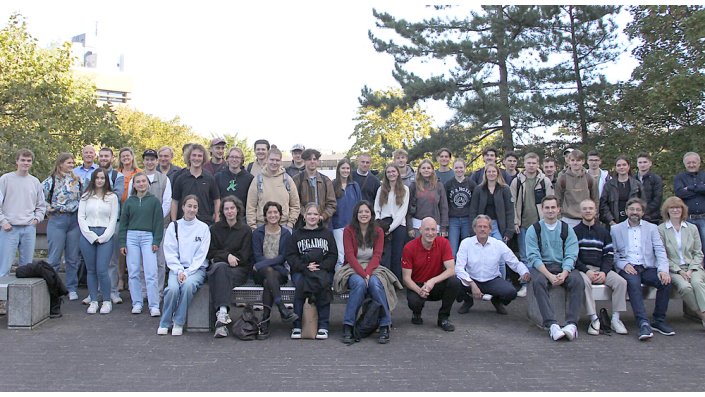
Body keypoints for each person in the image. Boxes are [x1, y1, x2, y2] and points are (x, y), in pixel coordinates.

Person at [334, 201, 401, 345]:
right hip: (352, 267)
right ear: (356, 215)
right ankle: (348, 325)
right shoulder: (348, 230)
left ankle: (384, 324)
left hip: (373, 266)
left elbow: (377, 255)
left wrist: (368, 273)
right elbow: (350, 256)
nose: (363, 214)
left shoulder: (378, 231)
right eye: (360, 212)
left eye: (366, 212)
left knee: (376, 284)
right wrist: (363, 275)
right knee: (358, 284)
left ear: (371, 214)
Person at [611, 197, 673, 340]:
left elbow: (660, 250)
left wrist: (663, 270)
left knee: (666, 282)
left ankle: (659, 320)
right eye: (632, 209)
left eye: (638, 210)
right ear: (626, 211)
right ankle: (643, 323)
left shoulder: (652, 228)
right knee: (633, 284)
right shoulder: (615, 229)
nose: (635, 212)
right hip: (628, 267)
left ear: (643, 213)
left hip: (646, 266)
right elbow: (613, 254)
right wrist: (623, 265)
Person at [525, 196, 584, 341]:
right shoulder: (534, 230)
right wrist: (549, 275)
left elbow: (571, 253)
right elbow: (533, 256)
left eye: (553, 208)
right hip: (543, 267)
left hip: (563, 266)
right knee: (537, 282)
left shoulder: (566, 229)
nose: (550, 211)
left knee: (578, 281)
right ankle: (551, 325)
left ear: (558, 210)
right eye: (547, 208)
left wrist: (564, 273)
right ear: (542, 209)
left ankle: (571, 324)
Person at [455, 215, 531, 315]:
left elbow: (514, 262)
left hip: (492, 280)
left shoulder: (498, 244)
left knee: (511, 292)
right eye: (479, 226)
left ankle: (497, 300)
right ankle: (468, 301)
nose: (482, 229)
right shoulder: (466, 243)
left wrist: (524, 272)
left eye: (485, 227)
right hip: (471, 280)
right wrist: (472, 284)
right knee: (453, 282)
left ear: (490, 229)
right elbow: (459, 268)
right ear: (474, 229)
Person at [573, 199, 628, 335]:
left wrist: (604, 272)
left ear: (595, 211)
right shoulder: (574, 232)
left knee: (621, 282)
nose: (588, 211)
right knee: (583, 282)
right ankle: (593, 318)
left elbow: (609, 255)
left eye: (590, 208)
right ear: (580, 212)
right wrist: (587, 271)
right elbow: (573, 257)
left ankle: (616, 319)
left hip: (601, 269)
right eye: (585, 209)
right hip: (583, 269)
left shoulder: (604, 232)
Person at [157, 195, 211, 336]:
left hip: (196, 270)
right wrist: (179, 270)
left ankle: (178, 321)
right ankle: (165, 321)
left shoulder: (204, 228)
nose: (191, 209)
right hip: (177, 269)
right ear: (183, 207)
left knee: (188, 286)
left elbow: (201, 255)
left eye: (195, 207)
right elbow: (170, 252)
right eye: (189, 206)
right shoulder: (173, 226)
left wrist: (187, 273)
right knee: (173, 289)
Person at [286, 203, 338, 340]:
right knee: (300, 285)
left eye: (315, 214)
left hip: (322, 270)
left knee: (323, 283)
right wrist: (305, 267)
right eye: (309, 214)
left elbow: (333, 255)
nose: (312, 217)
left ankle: (323, 326)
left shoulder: (327, 234)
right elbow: (291, 256)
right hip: (302, 270)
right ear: (304, 216)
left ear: (320, 216)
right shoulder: (296, 235)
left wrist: (320, 267)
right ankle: (297, 325)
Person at [402, 217, 461, 332]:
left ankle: (443, 317)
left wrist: (432, 281)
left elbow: (451, 270)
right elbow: (406, 279)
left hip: (436, 284)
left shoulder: (444, 243)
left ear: (437, 231)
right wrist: (419, 291)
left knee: (454, 282)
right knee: (414, 303)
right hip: (417, 285)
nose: (430, 233)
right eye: (427, 229)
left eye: (433, 230)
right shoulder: (409, 247)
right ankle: (416, 312)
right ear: (420, 230)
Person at [206, 196, 254, 338]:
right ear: (222, 211)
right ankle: (222, 313)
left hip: (239, 270)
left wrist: (225, 258)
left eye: (232, 208)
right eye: (226, 209)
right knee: (220, 269)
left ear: (237, 210)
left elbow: (245, 257)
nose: (229, 211)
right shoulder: (215, 229)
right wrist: (227, 256)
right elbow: (210, 252)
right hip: (220, 268)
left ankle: (222, 316)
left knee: (220, 271)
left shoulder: (245, 230)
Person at [251, 201, 299, 340]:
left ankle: (265, 320)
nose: (273, 215)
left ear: (280, 215)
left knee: (269, 280)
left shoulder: (286, 233)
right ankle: (281, 307)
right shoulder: (258, 232)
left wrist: (263, 265)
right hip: (260, 272)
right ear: (265, 215)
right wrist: (263, 266)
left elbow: (283, 257)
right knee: (267, 275)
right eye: (269, 213)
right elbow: (258, 256)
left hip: (279, 272)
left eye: (275, 212)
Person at [119, 172, 164, 316]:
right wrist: (122, 243)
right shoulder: (129, 202)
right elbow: (123, 224)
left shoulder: (154, 201)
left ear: (148, 183)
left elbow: (158, 223)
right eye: (138, 181)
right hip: (131, 237)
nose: (141, 184)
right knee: (133, 272)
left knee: (151, 272)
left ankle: (154, 304)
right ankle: (137, 302)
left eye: (144, 181)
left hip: (148, 237)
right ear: (134, 184)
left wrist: (156, 240)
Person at [510, 152, 553, 296]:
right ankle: (525, 284)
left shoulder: (544, 181)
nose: (531, 165)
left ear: (538, 164)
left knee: (542, 254)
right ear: (524, 163)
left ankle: (541, 284)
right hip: (523, 224)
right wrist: (515, 221)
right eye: (528, 163)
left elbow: (550, 202)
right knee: (524, 256)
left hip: (540, 224)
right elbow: (513, 202)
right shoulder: (517, 181)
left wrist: (549, 221)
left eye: (534, 163)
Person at [658, 196, 705, 328]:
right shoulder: (661, 229)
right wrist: (679, 271)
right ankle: (702, 315)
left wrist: (690, 270)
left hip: (693, 267)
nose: (675, 210)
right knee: (685, 287)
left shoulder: (692, 228)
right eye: (672, 208)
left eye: (678, 207)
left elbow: (698, 252)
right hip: (674, 269)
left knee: (697, 283)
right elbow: (662, 255)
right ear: (667, 210)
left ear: (683, 209)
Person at [77, 168, 119, 314]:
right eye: (97, 178)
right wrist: (90, 235)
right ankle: (94, 300)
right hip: (88, 234)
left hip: (105, 235)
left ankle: (107, 301)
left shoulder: (112, 197)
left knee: (102, 269)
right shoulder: (86, 196)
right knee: (91, 270)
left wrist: (105, 236)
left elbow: (113, 219)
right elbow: (81, 217)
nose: (100, 180)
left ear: (106, 180)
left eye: (102, 178)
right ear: (93, 180)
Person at [42, 153, 83, 301]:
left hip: (74, 220)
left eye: (73, 162)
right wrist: (48, 208)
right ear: (60, 164)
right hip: (57, 219)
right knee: (54, 258)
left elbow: (83, 198)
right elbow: (40, 199)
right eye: (68, 162)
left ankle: (71, 288)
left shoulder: (77, 180)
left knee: (72, 258)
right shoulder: (50, 181)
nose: (71, 165)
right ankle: (52, 289)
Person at [0, 149, 47, 278]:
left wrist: (36, 219)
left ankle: (23, 298)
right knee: (3, 268)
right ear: (17, 161)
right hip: (9, 229)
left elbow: (41, 205)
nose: (25, 163)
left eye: (28, 161)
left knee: (26, 269)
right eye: (23, 160)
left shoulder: (35, 182)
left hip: (28, 228)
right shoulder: (6, 179)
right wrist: (3, 221)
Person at [468, 163, 514, 279]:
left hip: (499, 226)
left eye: (494, 171)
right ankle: (486, 285)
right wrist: (473, 229)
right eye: (489, 172)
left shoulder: (504, 189)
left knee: (501, 259)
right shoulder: (479, 189)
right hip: (482, 226)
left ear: (498, 173)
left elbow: (509, 211)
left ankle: (502, 285)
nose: (491, 174)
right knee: (484, 258)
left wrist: (509, 231)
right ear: (485, 174)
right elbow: (473, 210)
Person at [246, 146, 300, 230]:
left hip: (284, 226)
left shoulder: (287, 180)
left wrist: (290, 224)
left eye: (277, 160)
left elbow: (295, 205)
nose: (274, 162)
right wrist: (253, 227)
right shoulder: (257, 180)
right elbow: (251, 206)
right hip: (262, 226)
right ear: (267, 160)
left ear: (280, 161)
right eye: (271, 159)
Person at [97, 147, 125, 303]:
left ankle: (113, 291)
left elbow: (117, 195)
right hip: (95, 222)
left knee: (112, 260)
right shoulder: (93, 175)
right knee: (97, 260)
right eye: (101, 156)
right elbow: (87, 195)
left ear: (112, 158)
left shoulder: (117, 176)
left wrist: (99, 194)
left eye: (106, 156)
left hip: (114, 222)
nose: (103, 158)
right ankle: (97, 292)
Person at [170, 143, 221, 226]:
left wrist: (217, 221)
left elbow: (217, 200)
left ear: (203, 158)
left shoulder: (210, 178)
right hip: (183, 223)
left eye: (199, 156)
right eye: (194, 155)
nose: (196, 158)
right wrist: (174, 222)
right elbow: (175, 201)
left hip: (205, 223)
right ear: (189, 157)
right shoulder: (180, 178)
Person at [375, 163, 410, 281]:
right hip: (383, 224)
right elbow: (376, 208)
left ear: (398, 173)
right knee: (385, 254)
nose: (391, 174)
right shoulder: (381, 189)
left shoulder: (405, 189)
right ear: (386, 174)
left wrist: (390, 229)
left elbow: (402, 212)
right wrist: (378, 224)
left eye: (393, 171)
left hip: (398, 225)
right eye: (389, 172)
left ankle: (396, 281)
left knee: (397, 254)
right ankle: (384, 280)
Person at [292, 148, 336, 228]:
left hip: (322, 224)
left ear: (318, 161)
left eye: (314, 159)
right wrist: (306, 215)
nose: (312, 161)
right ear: (304, 161)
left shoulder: (325, 180)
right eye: (309, 159)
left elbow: (332, 203)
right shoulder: (297, 179)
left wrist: (323, 216)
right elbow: (294, 202)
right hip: (302, 224)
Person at [331, 159, 361, 270]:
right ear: (338, 169)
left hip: (353, 226)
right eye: (343, 168)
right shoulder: (332, 185)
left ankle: (351, 279)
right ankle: (339, 282)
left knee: (353, 255)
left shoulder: (354, 186)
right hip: (338, 225)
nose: (345, 170)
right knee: (341, 256)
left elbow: (360, 205)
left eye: (348, 168)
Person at [555, 149, 598, 227]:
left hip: (586, 219)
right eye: (573, 160)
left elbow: (595, 199)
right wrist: (559, 217)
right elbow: (557, 199)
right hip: (567, 219)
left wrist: (594, 216)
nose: (575, 163)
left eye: (578, 160)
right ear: (569, 161)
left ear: (583, 161)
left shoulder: (590, 179)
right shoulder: (562, 179)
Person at [406, 159, 449, 239]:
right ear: (419, 170)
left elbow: (444, 207)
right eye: (423, 168)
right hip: (417, 225)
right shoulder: (413, 186)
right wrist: (410, 227)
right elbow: (408, 208)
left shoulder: (439, 185)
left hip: (435, 226)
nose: (426, 170)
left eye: (428, 168)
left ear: (432, 170)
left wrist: (443, 227)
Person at [599, 155, 644, 227]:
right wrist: (611, 221)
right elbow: (603, 205)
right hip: (614, 223)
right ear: (615, 168)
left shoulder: (637, 185)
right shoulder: (609, 185)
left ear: (628, 166)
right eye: (619, 165)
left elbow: (643, 203)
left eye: (624, 165)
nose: (621, 167)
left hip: (633, 222)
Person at [674, 151, 705, 252]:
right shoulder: (679, 177)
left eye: (694, 162)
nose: (691, 165)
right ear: (685, 164)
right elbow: (679, 193)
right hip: (688, 219)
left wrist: (690, 188)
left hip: (704, 218)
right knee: (689, 248)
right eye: (688, 163)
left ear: (699, 163)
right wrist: (700, 190)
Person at [445, 158, 476, 258]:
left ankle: (466, 273)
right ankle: (453, 272)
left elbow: (474, 203)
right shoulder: (449, 184)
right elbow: (445, 204)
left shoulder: (471, 184)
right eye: (456, 168)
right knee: (452, 250)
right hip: (453, 219)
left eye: (461, 167)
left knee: (466, 250)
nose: (459, 170)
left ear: (465, 169)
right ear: (453, 169)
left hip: (467, 219)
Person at [635, 152, 663, 224]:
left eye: (645, 162)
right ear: (637, 164)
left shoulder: (656, 179)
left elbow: (657, 199)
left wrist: (644, 211)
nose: (642, 164)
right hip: (634, 216)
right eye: (640, 162)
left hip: (652, 217)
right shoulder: (632, 179)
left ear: (650, 163)